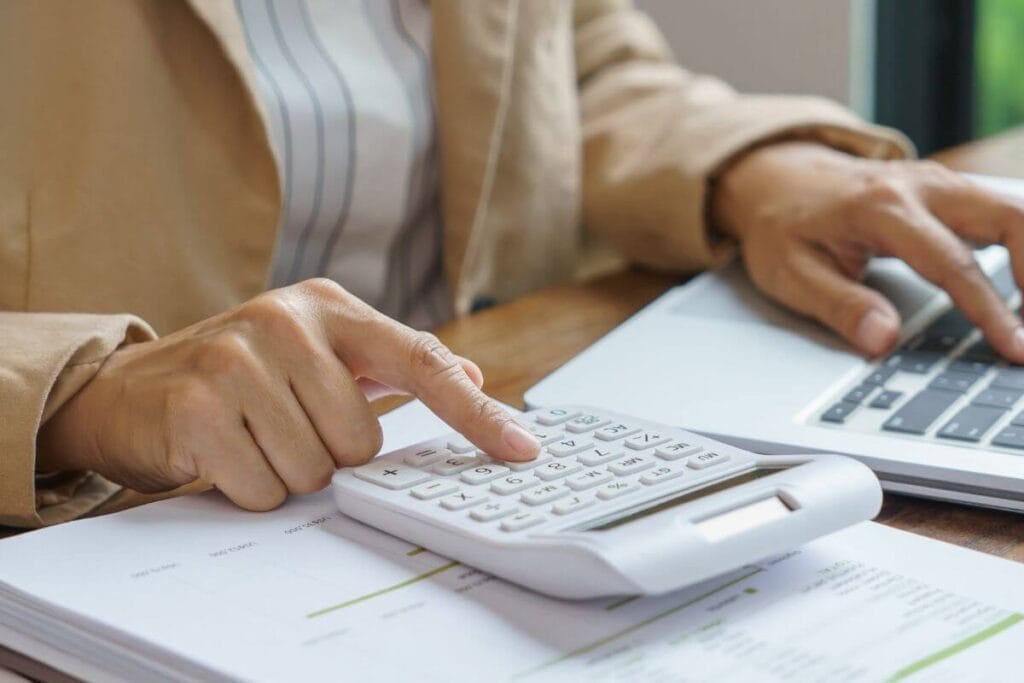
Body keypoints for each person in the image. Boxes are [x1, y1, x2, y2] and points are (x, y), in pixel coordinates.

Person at [2, 0, 1023, 528]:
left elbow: (576, 58)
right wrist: (82, 392)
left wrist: (762, 170)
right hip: (95, 520)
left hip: (455, 459)